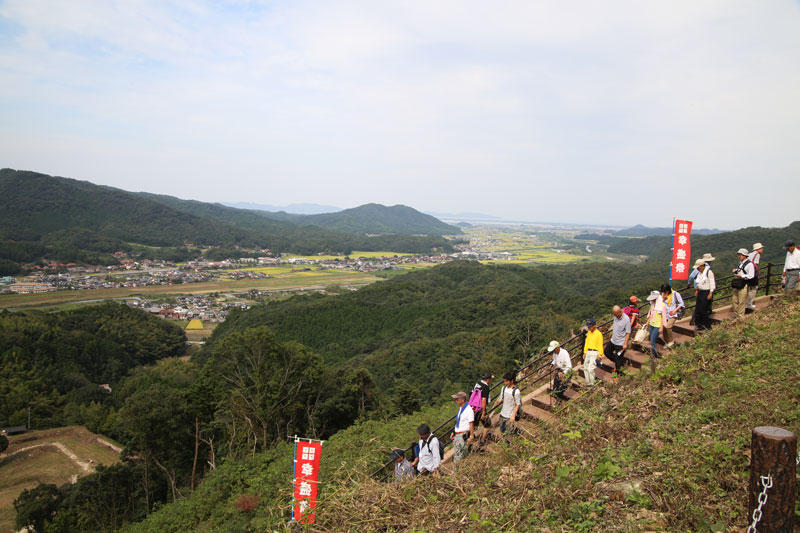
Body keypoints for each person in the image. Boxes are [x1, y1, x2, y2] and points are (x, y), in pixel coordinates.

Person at [449, 392, 474, 463]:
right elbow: (459, 422)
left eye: (457, 399)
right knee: (458, 454)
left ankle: (456, 472)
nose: (456, 401)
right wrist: (454, 432)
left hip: (463, 435)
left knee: (460, 455)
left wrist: (471, 436)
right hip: (457, 435)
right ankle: (458, 471)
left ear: (462, 400)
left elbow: (471, 423)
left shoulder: (469, 409)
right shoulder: (460, 409)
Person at [606, 306, 631, 372]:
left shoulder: (626, 319)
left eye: (615, 314)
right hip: (613, 340)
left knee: (618, 362)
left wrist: (625, 343)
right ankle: (620, 362)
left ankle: (618, 375)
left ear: (619, 312)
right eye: (614, 314)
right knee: (606, 352)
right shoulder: (616, 316)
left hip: (620, 343)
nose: (614, 316)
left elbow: (628, 332)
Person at [731, 248, 755, 319]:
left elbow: (751, 276)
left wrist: (741, 275)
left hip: (744, 284)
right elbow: (740, 273)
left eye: (740, 255)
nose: (739, 256)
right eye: (738, 255)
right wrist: (736, 272)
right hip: (738, 283)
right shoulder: (740, 263)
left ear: (745, 255)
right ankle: (736, 315)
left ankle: (740, 317)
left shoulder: (750, 264)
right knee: (734, 300)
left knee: (742, 301)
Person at [470, 373, 493, 443]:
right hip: (480, 408)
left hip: (473, 407)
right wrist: (483, 412)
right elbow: (484, 399)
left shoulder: (478, 383)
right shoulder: (485, 387)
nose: (491, 380)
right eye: (490, 379)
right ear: (487, 380)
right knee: (487, 424)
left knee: (473, 425)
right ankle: (483, 440)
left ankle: (470, 440)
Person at [694, 258, 716, 331]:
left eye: (698, 267)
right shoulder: (700, 273)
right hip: (701, 292)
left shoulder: (708, 272)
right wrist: (697, 290)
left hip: (706, 292)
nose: (697, 268)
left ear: (702, 266)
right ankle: (699, 325)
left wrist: (710, 293)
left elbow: (712, 283)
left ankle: (707, 326)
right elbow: (699, 282)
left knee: (704, 310)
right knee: (698, 309)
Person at [660, 284, 684, 349]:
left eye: (665, 291)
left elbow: (681, 304)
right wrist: (663, 298)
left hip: (673, 314)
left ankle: (671, 341)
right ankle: (667, 342)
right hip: (665, 314)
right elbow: (660, 304)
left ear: (668, 290)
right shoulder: (662, 295)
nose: (664, 293)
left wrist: (675, 310)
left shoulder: (675, 294)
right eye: (663, 292)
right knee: (664, 328)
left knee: (668, 327)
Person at [646, 290, 668, 358]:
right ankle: (654, 353)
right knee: (652, 340)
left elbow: (663, 317)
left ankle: (655, 355)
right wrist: (647, 322)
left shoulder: (662, 305)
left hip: (657, 325)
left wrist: (661, 327)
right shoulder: (652, 304)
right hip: (651, 324)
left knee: (652, 340)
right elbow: (650, 314)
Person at [582, 318, 603, 387]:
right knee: (585, 368)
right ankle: (588, 383)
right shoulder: (589, 333)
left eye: (590, 326)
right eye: (588, 326)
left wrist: (599, 355)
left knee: (590, 369)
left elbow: (600, 345)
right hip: (588, 352)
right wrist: (585, 352)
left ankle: (592, 383)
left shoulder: (599, 334)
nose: (588, 327)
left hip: (595, 352)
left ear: (594, 325)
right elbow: (586, 343)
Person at [746, 243, 764, 313]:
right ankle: (749, 304)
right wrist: (757, 274)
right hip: (753, 274)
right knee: (754, 288)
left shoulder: (750, 254)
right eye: (761, 248)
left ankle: (747, 304)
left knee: (749, 289)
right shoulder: (757, 254)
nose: (762, 249)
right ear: (757, 249)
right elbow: (755, 265)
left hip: (748, 273)